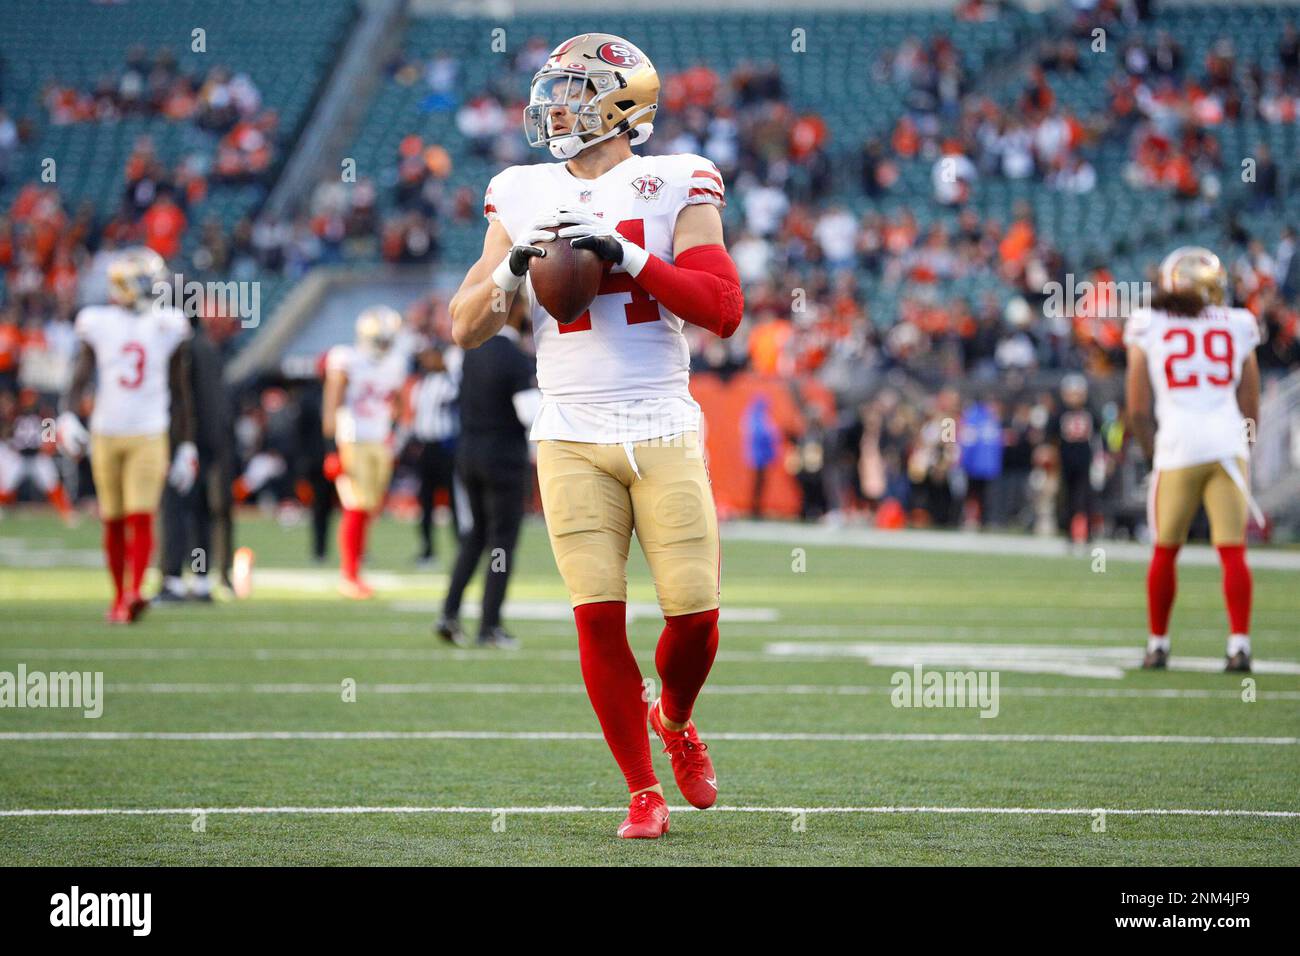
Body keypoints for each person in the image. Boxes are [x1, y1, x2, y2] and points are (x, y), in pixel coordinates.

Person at [448, 33, 743, 839]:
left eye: (574, 91)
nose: (554, 107)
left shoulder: (678, 177)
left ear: (623, 102)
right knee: (596, 616)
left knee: (695, 618)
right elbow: (464, 323)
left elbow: (721, 308)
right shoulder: (519, 190)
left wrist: (629, 256)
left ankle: (675, 719)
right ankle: (641, 790)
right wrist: (512, 270)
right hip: (570, 427)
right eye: (552, 91)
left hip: (661, 421)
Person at [1124, 246, 1262, 672]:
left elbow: (1137, 406)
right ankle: (1239, 644)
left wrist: (1153, 453)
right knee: (1232, 551)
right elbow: (1251, 400)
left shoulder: (1149, 323)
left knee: (1165, 551)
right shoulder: (1240, 323)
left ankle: (1158, 643)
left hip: (1178, 446)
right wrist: (1243, 445)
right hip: (1226, 446)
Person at [57, 247, 197, 623]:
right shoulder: (97, 322)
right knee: (114, 519)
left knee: (141, 515)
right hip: (107, 431)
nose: (153, 287)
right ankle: (118, 597)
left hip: (150, 432)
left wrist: (185, 445)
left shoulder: (168, 324)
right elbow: (79, 377)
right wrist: (67, 416)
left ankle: (134, 592)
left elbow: (180, 394)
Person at [435, 312, 535, 649]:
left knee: (474, 536)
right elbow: (529, 414)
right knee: (501, 543)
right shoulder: (517, 359)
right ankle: (489, 624)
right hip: (503, 459)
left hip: (468, 454)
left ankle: (449, 612)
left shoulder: (468, 353)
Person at [321, 306, 408, 599]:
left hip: (379, 440)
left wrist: (394, 431)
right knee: (355, 506)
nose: (384, 345)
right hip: (352, 439)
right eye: (380, 339)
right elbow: (332, 403)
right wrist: (331, 447)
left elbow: (396, 402)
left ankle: (356, 566)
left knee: (368, 507)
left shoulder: (395, 363)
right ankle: (350, 574)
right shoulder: (347, 358)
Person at [409, 344, 460, 566]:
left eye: (432, 357)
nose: (427, 361)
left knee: (455, 501)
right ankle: (427, 549)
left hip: (446, 447)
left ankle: (461, 548)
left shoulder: (451, 383)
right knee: (425, 501)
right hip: (426, 448)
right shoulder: (423, 384)